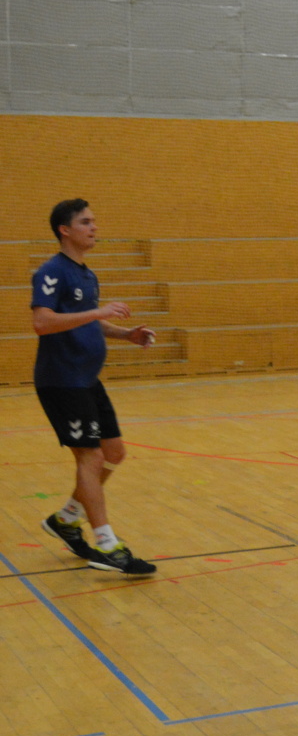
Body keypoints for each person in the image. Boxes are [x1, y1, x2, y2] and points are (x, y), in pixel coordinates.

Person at [32, 199, 158, 575]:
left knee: (114, 453)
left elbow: (88, 322)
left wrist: (126, 334)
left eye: (94, 222)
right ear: (64, 230)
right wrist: (99, 312)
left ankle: (67, 518)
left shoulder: (86, 275)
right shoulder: (51, 272)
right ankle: (105, 545)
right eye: (86, 222)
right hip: (62, 381)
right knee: (90, 457)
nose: (94, 227)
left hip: (87, 380)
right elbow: (43, 322)